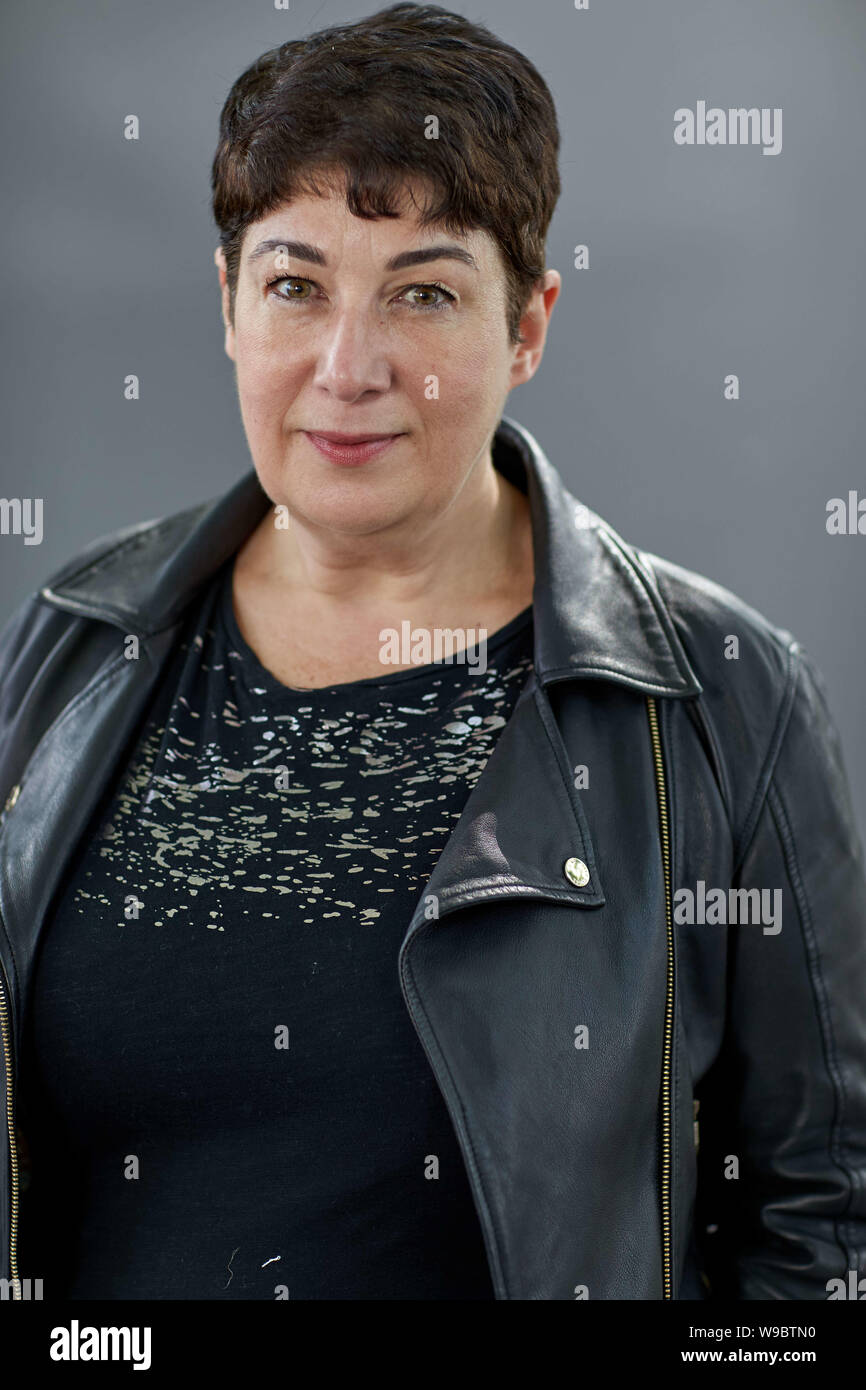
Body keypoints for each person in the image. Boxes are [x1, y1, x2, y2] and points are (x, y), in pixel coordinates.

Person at [1, 1, 864, 1301]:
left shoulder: (718, 696)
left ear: (526, 324)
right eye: (295, 284)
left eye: (423, 293)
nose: (348, 368)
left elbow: (828, 1208)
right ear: (228, 304)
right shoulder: (77, 639)